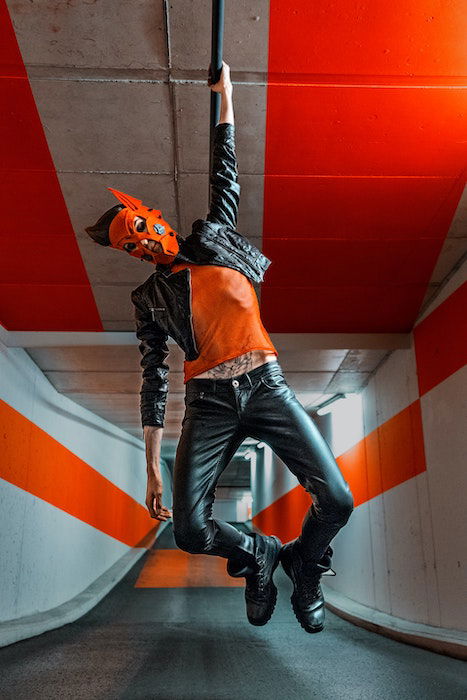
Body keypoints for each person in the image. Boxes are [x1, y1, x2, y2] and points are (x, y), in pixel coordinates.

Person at [85, 61, 354, 633]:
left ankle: (303, 563)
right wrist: (150, 466)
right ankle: (257, 556)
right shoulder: (149, 297)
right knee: (189, 530)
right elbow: (153, 376)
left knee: (338, 499)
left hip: (266, 385)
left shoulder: (214, 240)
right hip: (207, 403)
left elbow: (224, 173)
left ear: (151, 216)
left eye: (136, 227)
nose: (139, 243)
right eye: (128, 247)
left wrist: (226, 96)